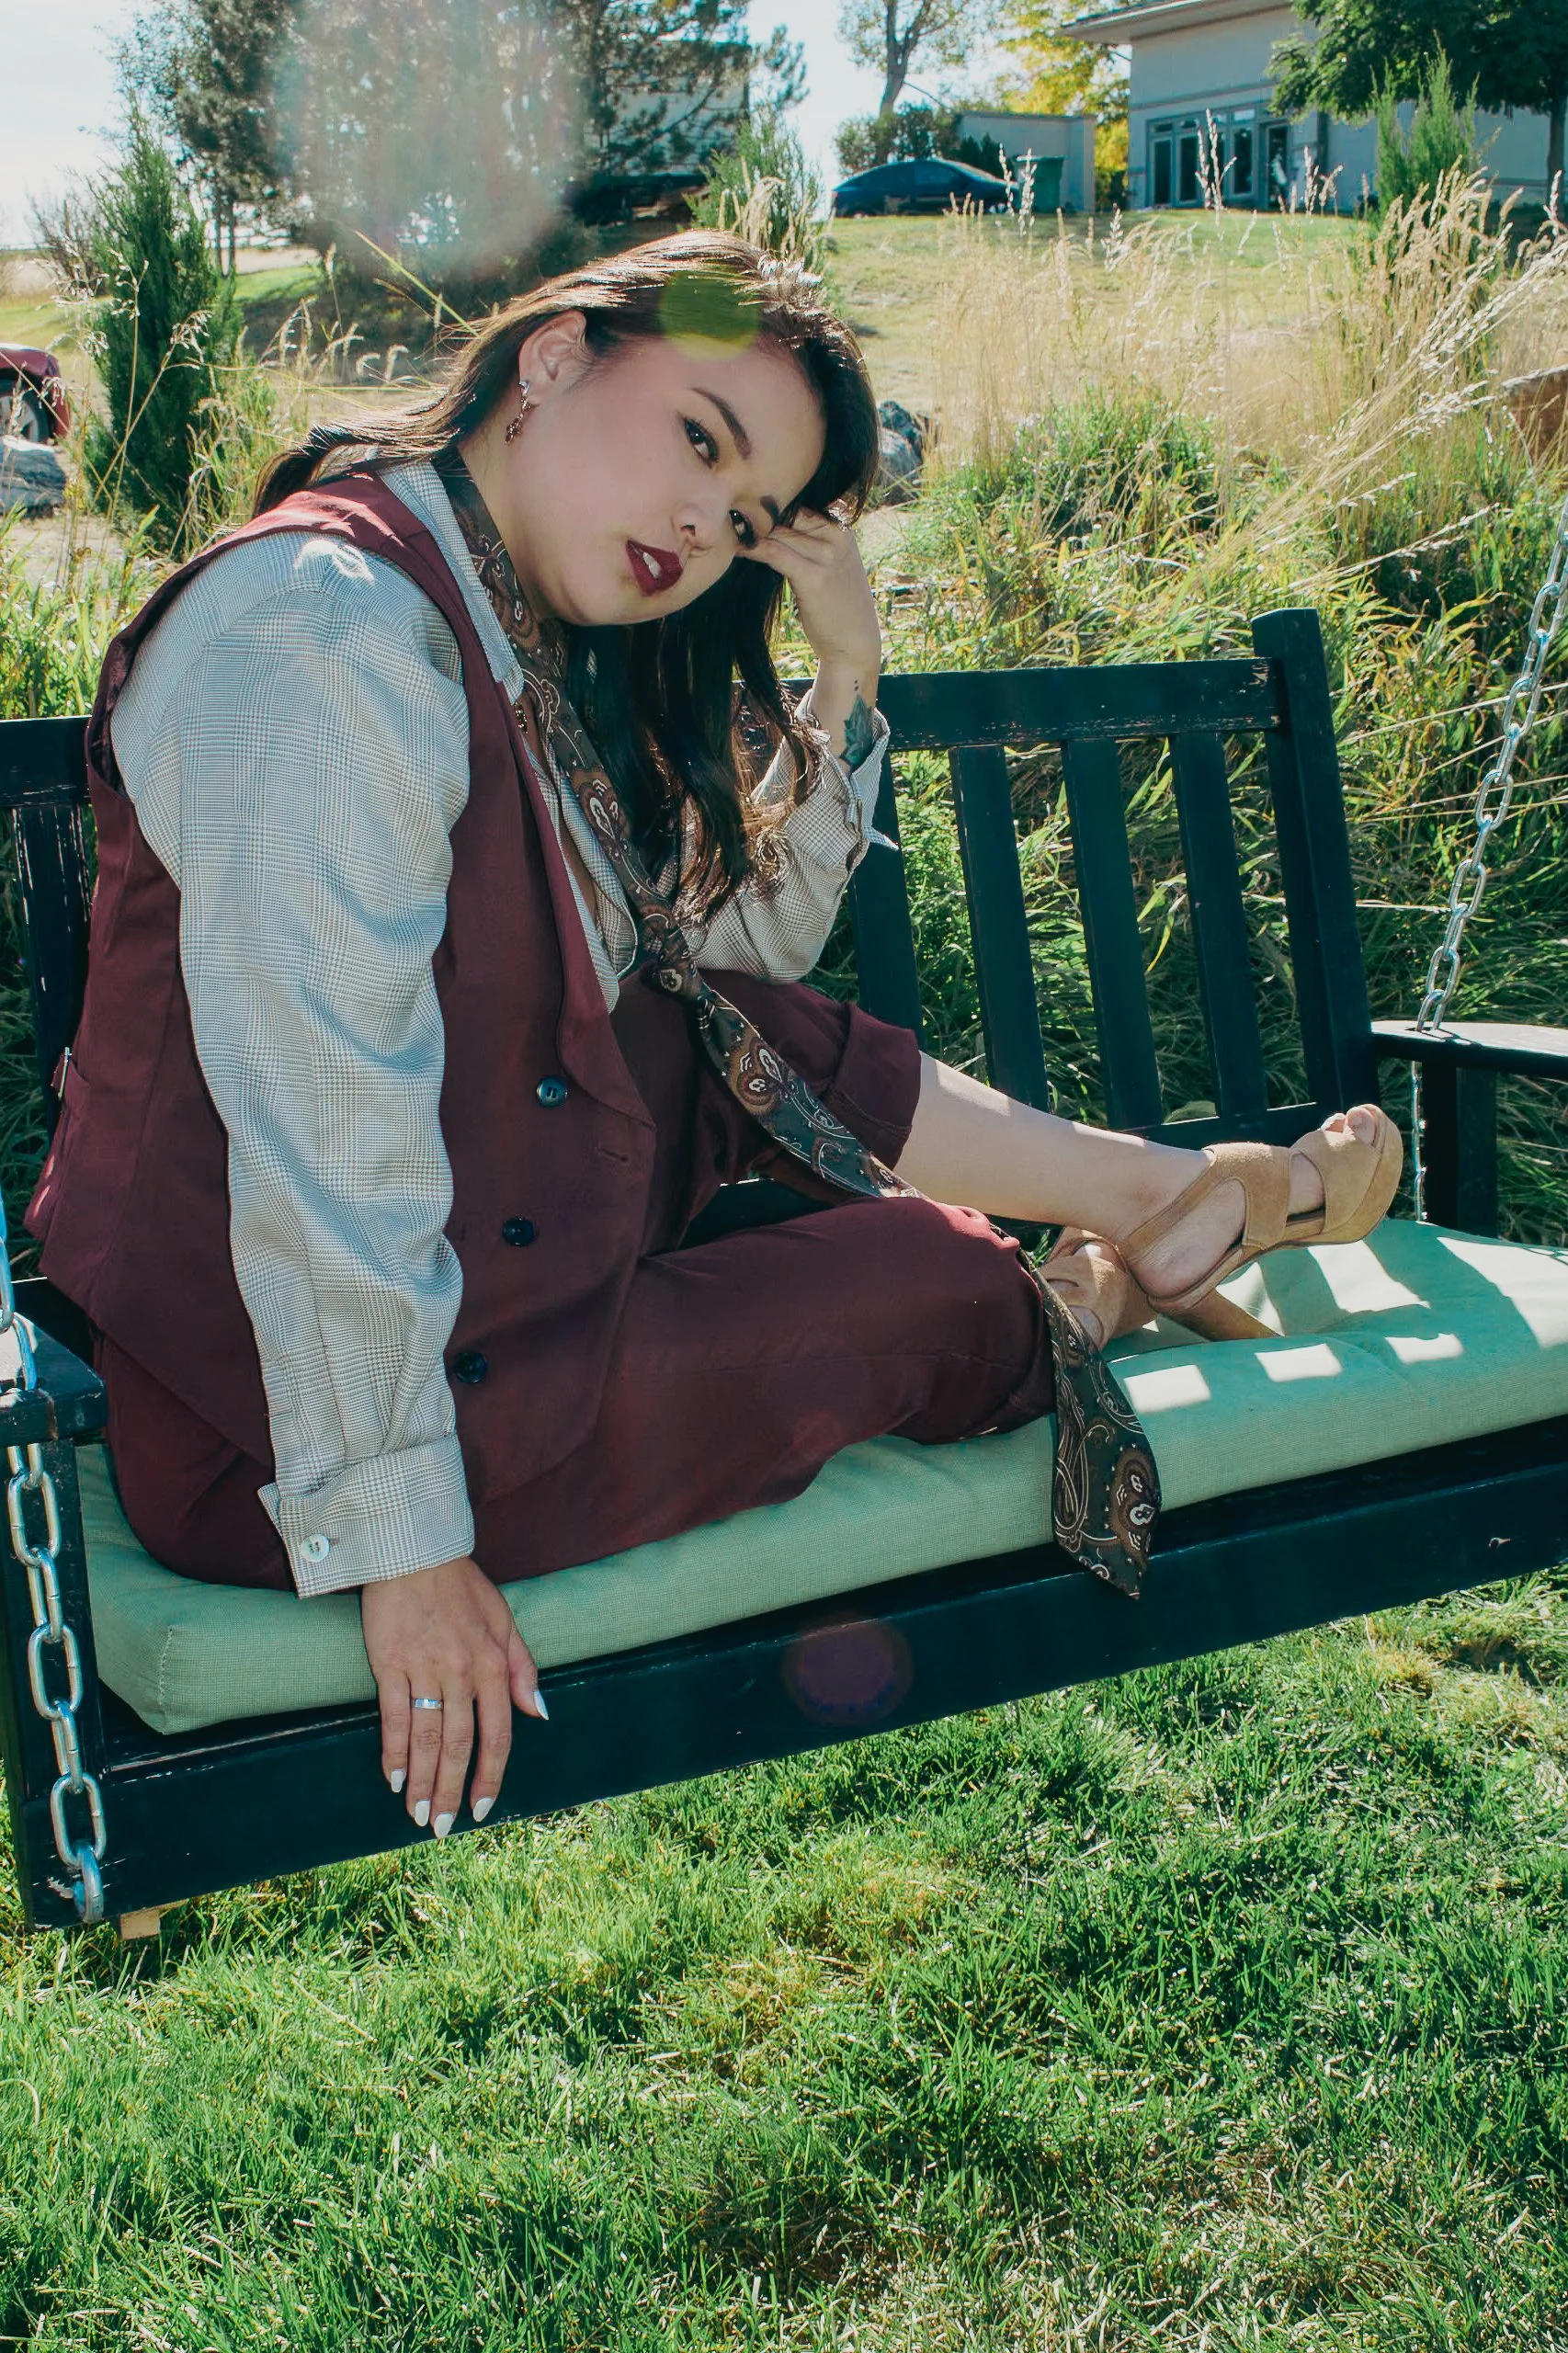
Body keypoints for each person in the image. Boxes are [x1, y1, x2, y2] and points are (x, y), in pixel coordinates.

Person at [27, 233, 1400, 1843]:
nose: (706, 523)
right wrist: (402, 1551)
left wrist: (848, 666)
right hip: (283, 1436)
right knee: (940, 1281)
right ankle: (1084, 1294)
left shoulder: (495, 619)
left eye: (746, 515)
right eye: (699, 438)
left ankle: (1158, 1200)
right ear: (549, 360)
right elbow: (321, 1127)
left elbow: (718, 961)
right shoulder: (326, 634)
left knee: (729, 1020)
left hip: (480, 1257)